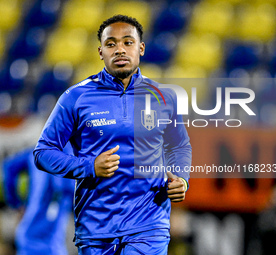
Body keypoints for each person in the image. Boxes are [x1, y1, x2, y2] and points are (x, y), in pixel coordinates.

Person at [34, 14, 192, 255]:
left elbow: (179, 146)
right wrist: (89, 166)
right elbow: (43, 153)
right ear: (100, 52)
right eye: (111, 44)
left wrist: (181, 178)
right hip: (96, 228)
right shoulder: (75, 98)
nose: (120, 49)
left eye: (128, 42)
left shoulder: (163, 97)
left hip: (149, 225)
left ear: (141, 48)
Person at [2, 145, 75, 255]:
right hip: (44, 229)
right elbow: (63, 189)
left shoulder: (35, 153)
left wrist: (16, 204)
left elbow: (9, 167)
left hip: (32, 230)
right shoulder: (67, 154)